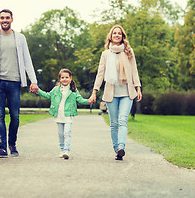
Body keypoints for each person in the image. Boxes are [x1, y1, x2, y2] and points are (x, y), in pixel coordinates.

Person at [0, 9, 39, 158]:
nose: (5, 20)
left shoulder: (20, 38)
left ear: (12, 19)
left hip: (15, 81)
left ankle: (12, 143)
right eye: (2, 18)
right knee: (0, 116)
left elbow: (27, 60)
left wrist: (33, 80)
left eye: (7, 17)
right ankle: (2, 147)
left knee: (15, 116)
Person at [89, 25, 142, 161]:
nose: (117, 35)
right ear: (111, 36)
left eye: (119, 33)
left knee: (123, 120)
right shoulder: (105, 54)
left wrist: (138, 87)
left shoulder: (129, 52)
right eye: (114, 33)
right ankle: (116, 150)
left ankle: (121, 147)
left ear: (123, 36)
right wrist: (95, 91)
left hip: (127, 92)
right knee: (114, 123)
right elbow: (100, 73)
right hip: (111, 93)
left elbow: (134, 70)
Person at [33, 68, 92, 159]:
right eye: (62, 77)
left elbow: (80, 99)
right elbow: (47, 95)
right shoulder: (56, 89)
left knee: (67, 133)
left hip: (68, 115)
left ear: (70, 78)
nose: (64, 79)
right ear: (59, 79)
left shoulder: (73, 90)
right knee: (60, 134)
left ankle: (66, 151)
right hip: (59, 115)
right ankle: (62, 149)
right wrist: (38, 91)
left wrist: (88, 101)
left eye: (67, 77)